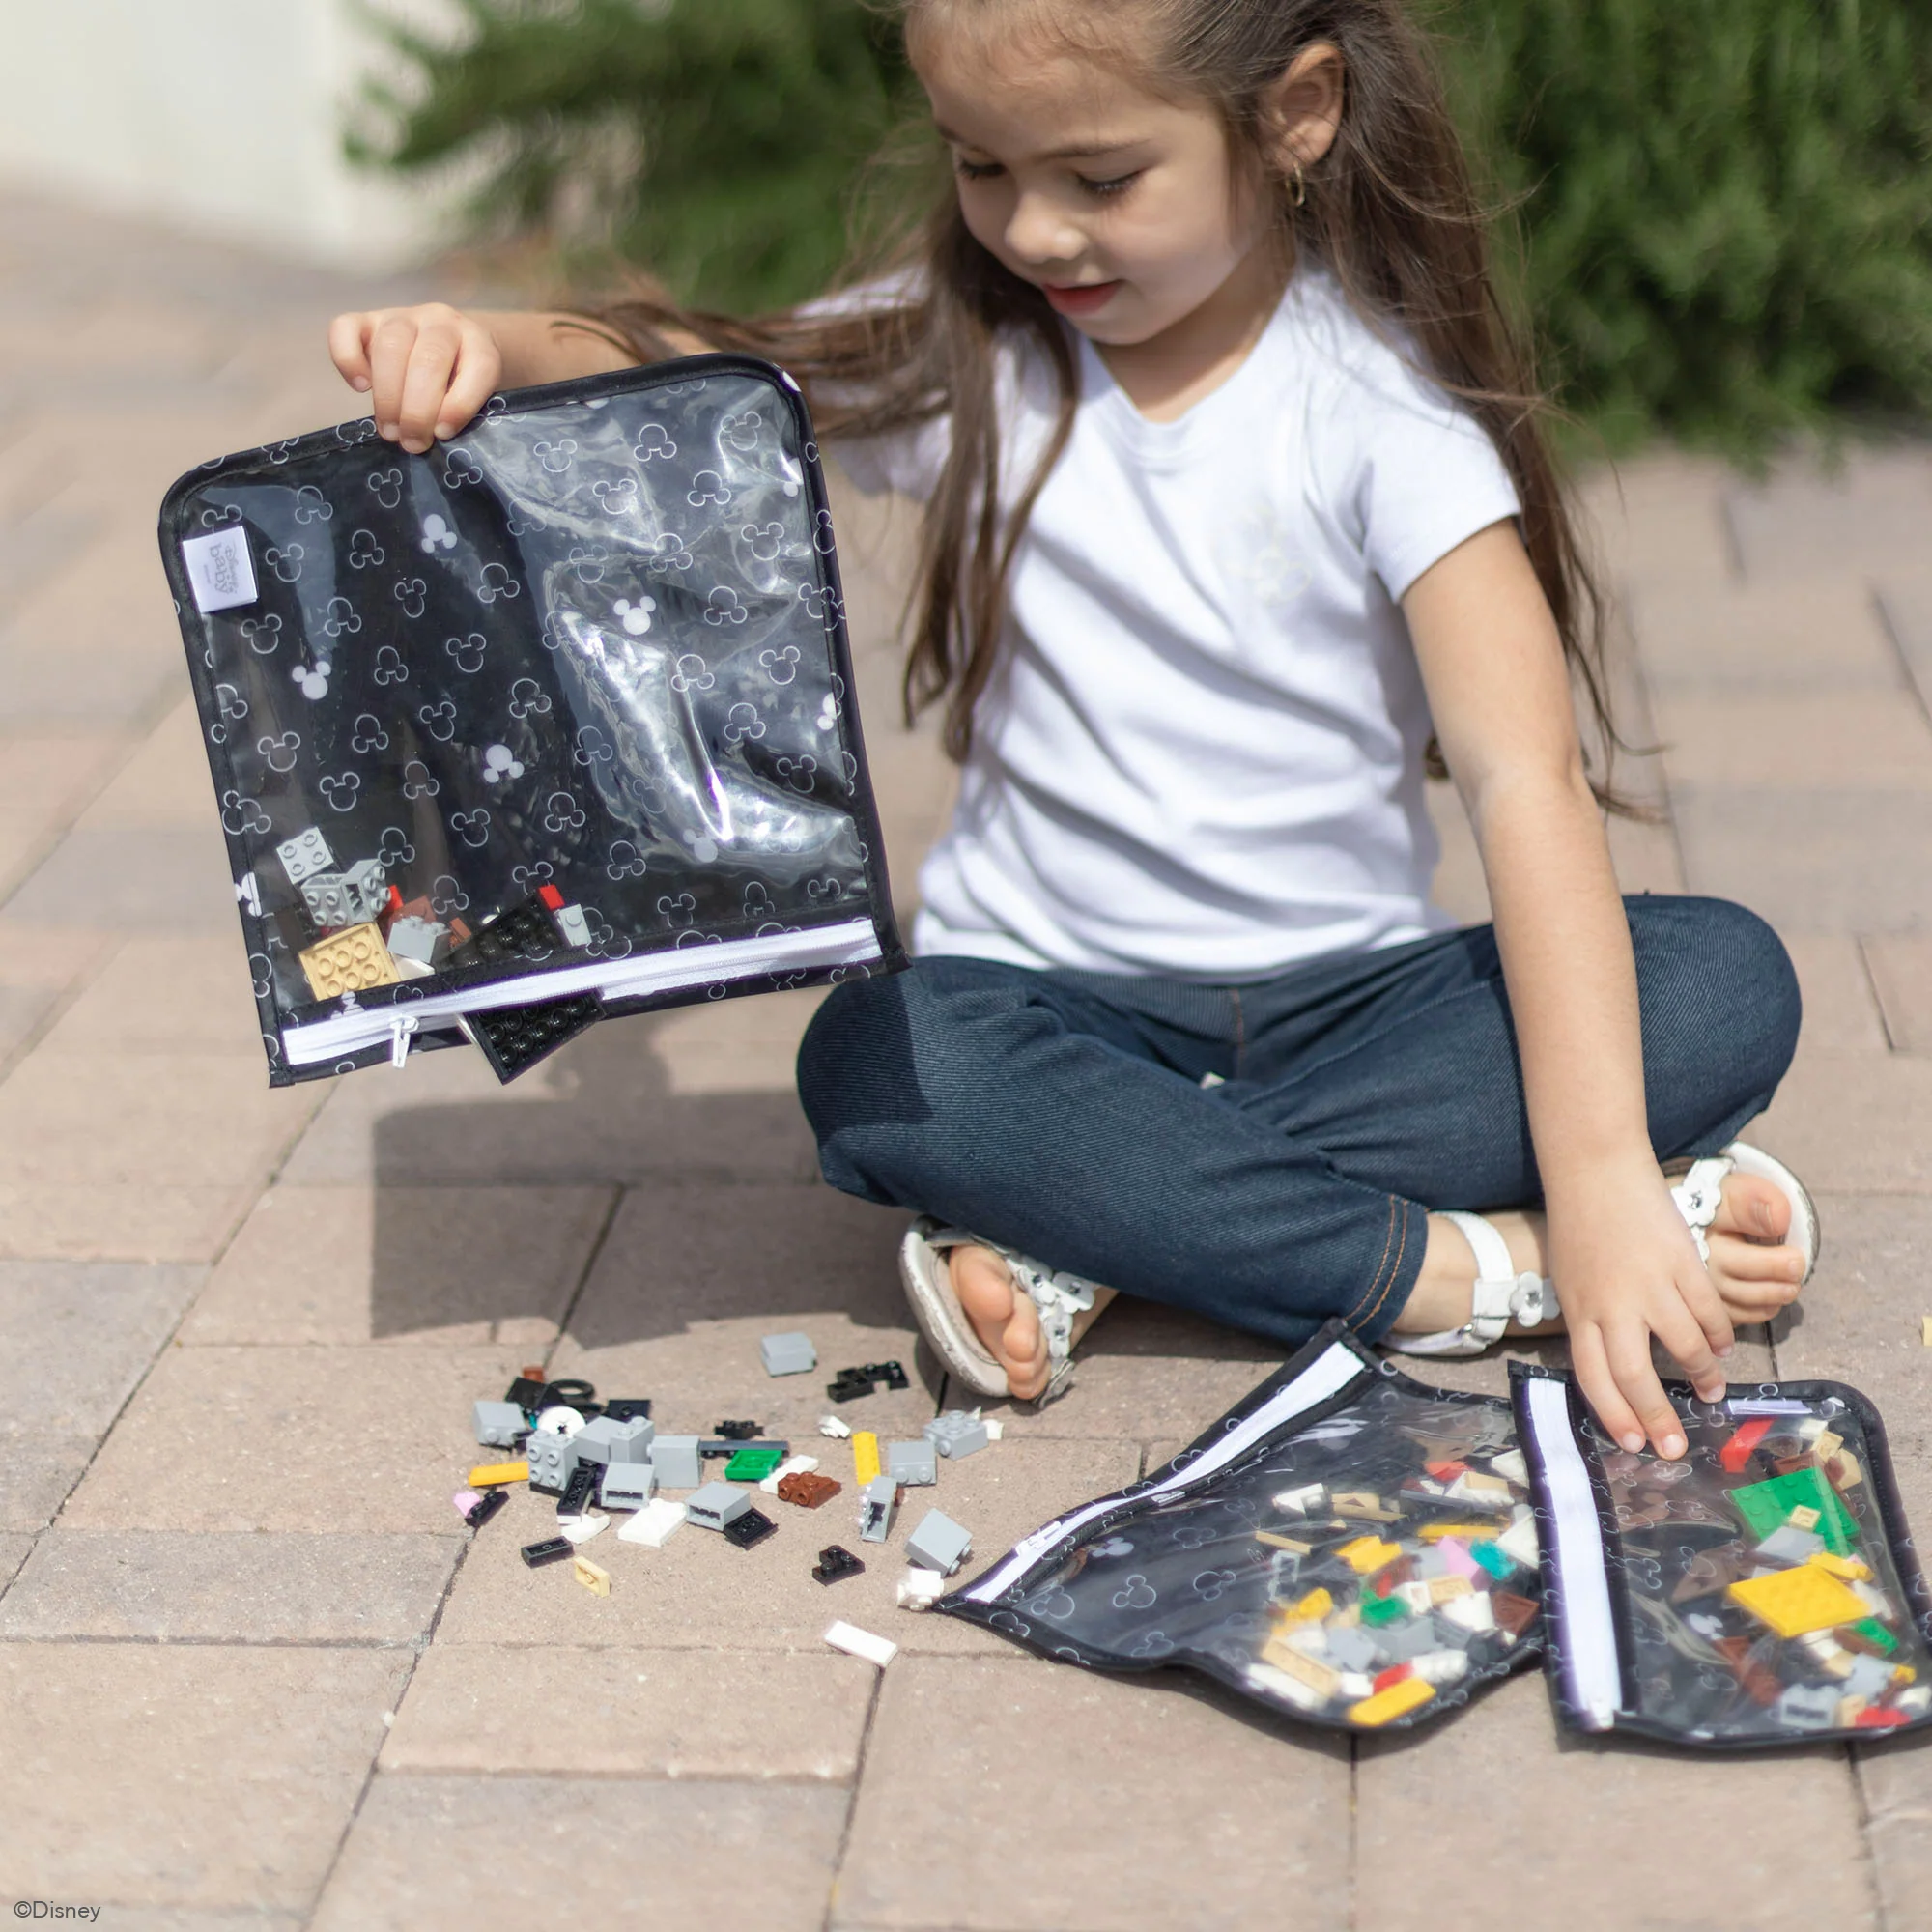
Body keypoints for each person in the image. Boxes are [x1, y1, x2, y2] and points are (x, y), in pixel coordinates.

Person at [327, 0, 1815, 1460]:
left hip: (1354, 1005)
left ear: (1294, 116)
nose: (1034, 231)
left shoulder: (1388, 420)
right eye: (981, 165)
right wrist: (487, 344)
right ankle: (1458, 1270)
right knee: (885, 1056)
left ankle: (1096, 1223)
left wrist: (1601, 1170)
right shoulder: (971, 348)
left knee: (1719, 982)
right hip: (1040, 999)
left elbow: (1523, 782)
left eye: (1100, 178)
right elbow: (680, 362)